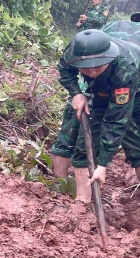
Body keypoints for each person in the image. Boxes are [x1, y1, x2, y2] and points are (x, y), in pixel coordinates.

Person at [50, 14, 140, 177]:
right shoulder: (78, 48)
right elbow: (65, 69)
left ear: (108, 59)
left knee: (137, 142)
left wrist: (103, 164)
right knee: (74, 126)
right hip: (96, 88)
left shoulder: (126, 68)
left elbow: (116, 120)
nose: (91, 72)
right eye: (85, 68)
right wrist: (76, 93)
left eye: (97, 68)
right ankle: (59, 186)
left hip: (134, 88)